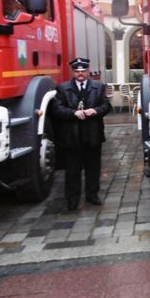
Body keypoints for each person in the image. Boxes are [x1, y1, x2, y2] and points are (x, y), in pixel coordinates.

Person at [53, 57, 112, 211]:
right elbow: (57, 109)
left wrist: (95, 111)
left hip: (93, 134)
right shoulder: (63, 88)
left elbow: (106, 106)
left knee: (94, 168)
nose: (80, 73)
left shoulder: (98, 87)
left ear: (88, 71)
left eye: (83, 71)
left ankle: (92, 195)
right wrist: (73, 113)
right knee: (72, 169)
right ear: (72, 72)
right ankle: (72, 199)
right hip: (72, 136)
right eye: (77, 71)